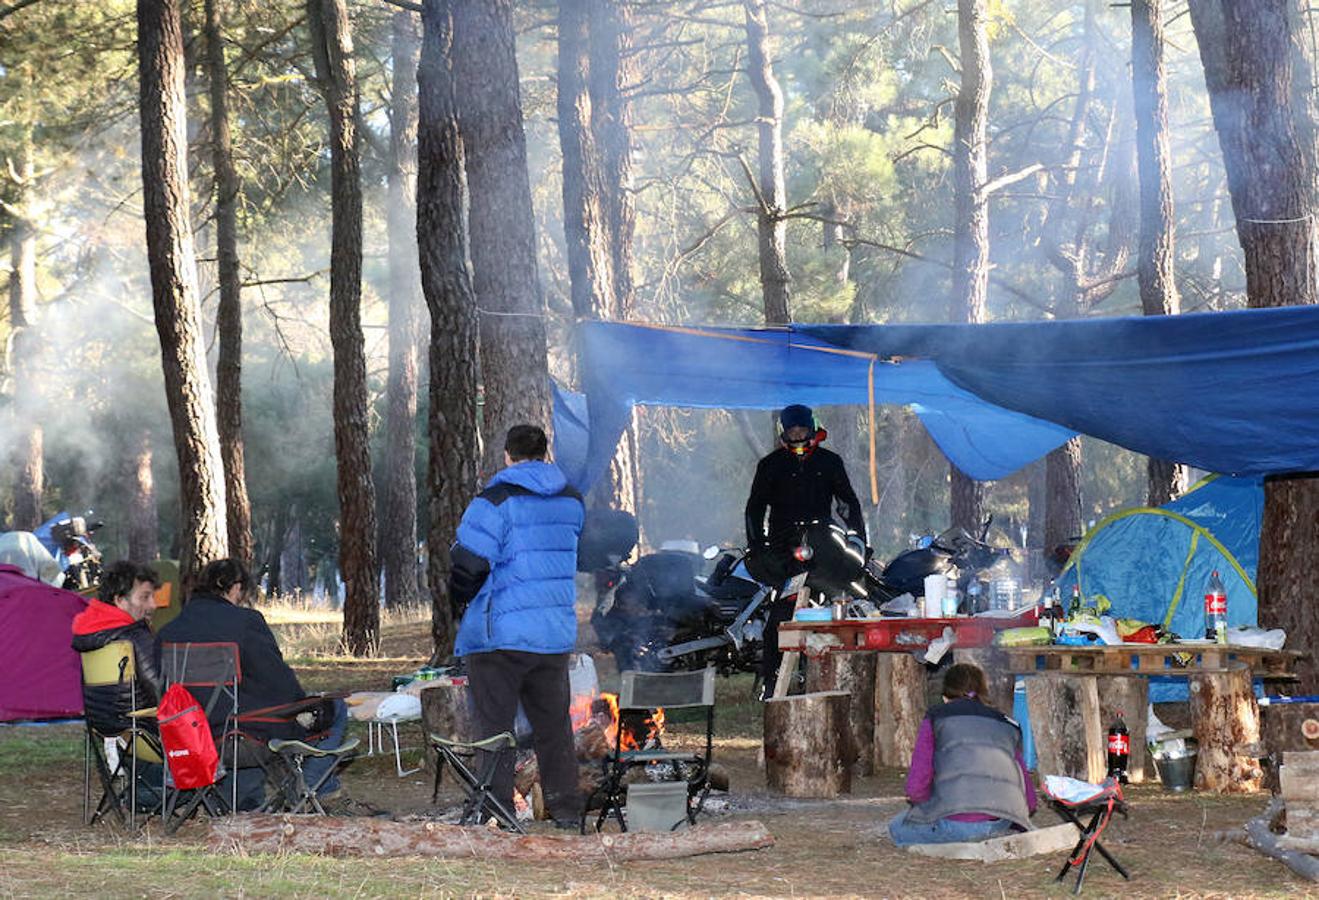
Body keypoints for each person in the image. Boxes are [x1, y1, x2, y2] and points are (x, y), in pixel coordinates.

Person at [450, 423, 585, 829]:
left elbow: (468, 563)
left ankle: (496, 810)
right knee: (554, 727)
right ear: (545, 454)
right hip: (553, 633)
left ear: (507, 454)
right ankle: (565, 809)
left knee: (494, 727)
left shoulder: (494, 501)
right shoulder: (572, 500)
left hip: (500, 637)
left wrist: (463, 600)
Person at [159, 558, 348, 809]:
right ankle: (313, 788)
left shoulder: (168, 631)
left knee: (243, 711)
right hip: (239, 738)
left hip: (187, 736)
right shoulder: (246, 621)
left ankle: (243, 798)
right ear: (235, 587)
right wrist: (302, 702)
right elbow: (279, 682)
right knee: (335, 708)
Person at [745, 403, 866, 695]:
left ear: (812, 428)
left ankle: (834, 675)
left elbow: (848, 504)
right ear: (783, 431)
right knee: (783, 610)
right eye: (791, 428)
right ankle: (774, 678)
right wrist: (758, 547)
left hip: (824, 543)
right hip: (784, 547)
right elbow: (754, 509)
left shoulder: (829, 461)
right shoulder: (770, 465)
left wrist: (858, 540)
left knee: (834, 605)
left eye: (802, 427)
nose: (797, 433)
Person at [888, 663, 1037, 846]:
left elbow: (917, 785)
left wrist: (923, 804)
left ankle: (958, 838)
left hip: (955, 823)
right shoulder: (1006, 723)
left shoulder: (935, 717)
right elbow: (1027, 793)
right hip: (1001, 821)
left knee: (897, 827)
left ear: (944, 697)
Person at [72, 560, 164, 729]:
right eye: (145, 597)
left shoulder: (88, 636)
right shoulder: (135, 636)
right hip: (144, 733)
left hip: (106, 732)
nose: (153, 605)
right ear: (120, 600)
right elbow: (159, 690)